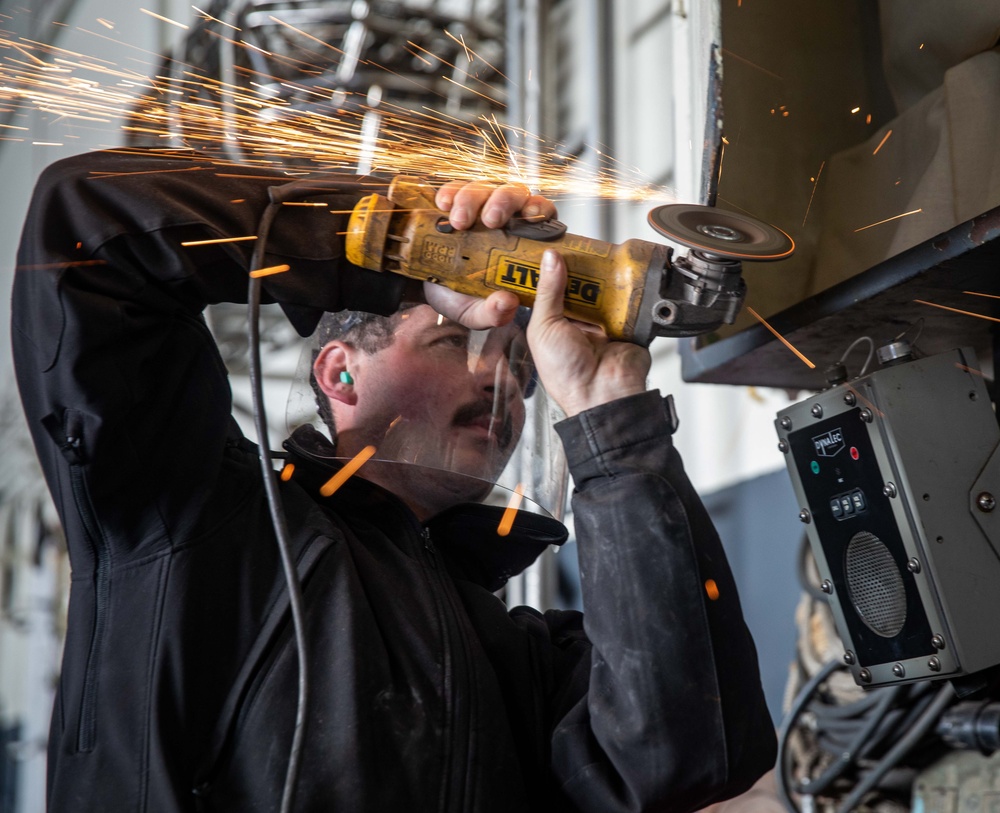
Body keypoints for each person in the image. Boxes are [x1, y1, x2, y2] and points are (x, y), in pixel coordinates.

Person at [12, 148, 776, 811]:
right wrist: (394, 242)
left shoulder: (518, 656)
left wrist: (613, 413)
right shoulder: (201, 521)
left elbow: (686, 758)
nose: (501, 382)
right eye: (455, 338)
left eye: (519, 363)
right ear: (339, 371)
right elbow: (86, 225)